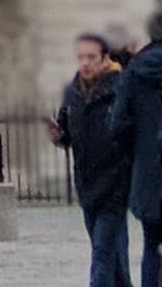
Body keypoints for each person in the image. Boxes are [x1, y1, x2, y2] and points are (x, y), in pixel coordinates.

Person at [54, 35, 132, 287]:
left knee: (102, 252)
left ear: (105, 58)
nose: (85, 63)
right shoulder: (73, 91)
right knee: (110, 254)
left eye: (91, 58)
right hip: (87, 184)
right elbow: (67, 133)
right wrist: (59, 136)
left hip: (115, 183)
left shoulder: (121, 88)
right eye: (80, 58)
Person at [117, 10, 162, 287]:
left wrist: (134, 155)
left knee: (153, 245)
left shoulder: (135, 70)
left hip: (148, 171)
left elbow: (119, 123)